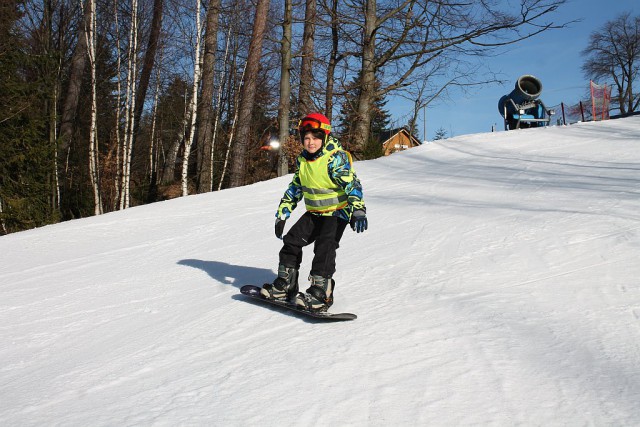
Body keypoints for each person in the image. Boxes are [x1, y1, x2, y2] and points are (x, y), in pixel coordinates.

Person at [260, 112, 368, 312]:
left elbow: (352, 185)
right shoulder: (303, 161)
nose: (310, 142)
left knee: (324, 246)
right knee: (292, 241)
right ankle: (286, 286)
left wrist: (358, 210)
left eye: (315, 138)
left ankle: (321, 292)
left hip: (337, 212)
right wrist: (283, 213)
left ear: (325, 137)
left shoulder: (335, 158)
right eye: (306, 138)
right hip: (316, 212)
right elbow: (295, 188)